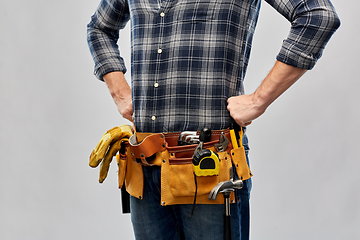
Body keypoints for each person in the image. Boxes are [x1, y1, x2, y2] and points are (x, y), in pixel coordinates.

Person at [87, 0, 340, 239]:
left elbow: (317, 16)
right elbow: (100, 28)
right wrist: (119, 91)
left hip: (211, 171)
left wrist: (258, 101)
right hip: (143, 168)